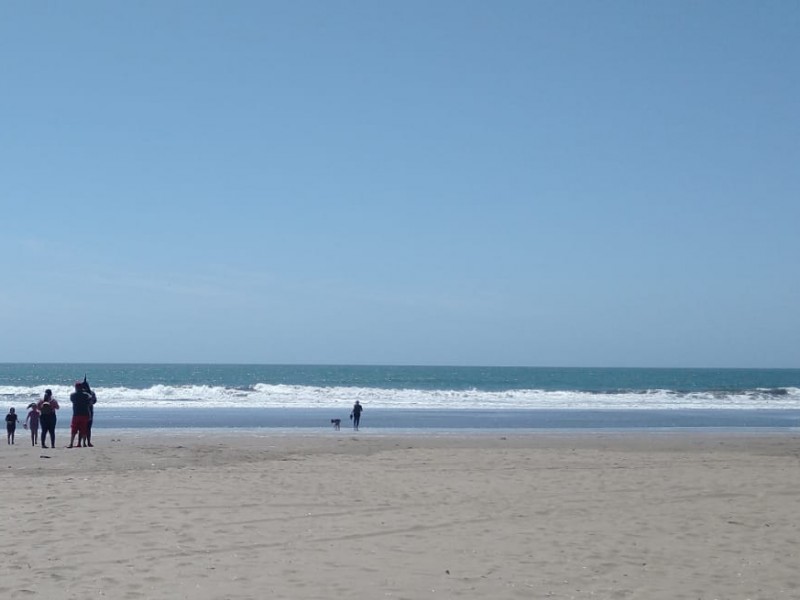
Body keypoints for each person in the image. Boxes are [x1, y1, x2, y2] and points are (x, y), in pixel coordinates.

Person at [68, 382, 93, 448]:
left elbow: (72, 400)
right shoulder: (86, 395)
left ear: (76, 388)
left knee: (74, 429)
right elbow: (90, 401)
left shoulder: (73, 395)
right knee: (83, 428)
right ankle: (84, 443)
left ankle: (71, 443)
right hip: (85, 413)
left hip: (76, 413)